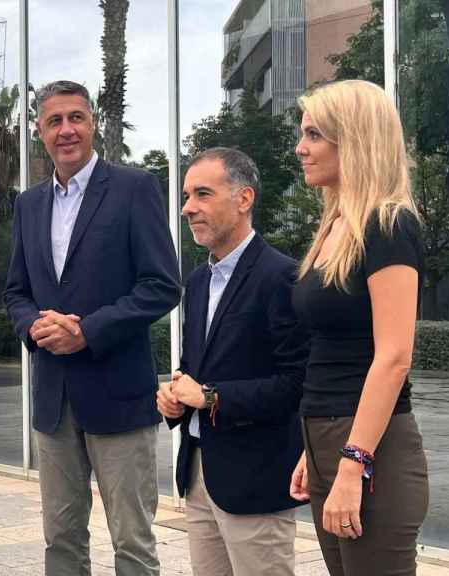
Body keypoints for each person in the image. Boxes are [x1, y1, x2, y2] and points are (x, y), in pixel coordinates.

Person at [4, 80, 180, 576]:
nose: (66, 130)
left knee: (132, 542)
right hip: (54, 400)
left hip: (119, 395)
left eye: (76, 118)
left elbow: (162, 285)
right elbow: (16, 291)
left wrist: (89, 330)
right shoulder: (29, 205)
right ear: (40, 131)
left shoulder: (134, 188)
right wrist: (35, 326)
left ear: (93, 123)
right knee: (60, 539)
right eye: (55, 121)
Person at [288, 79, 429, 575]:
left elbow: (394, 357)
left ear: (355, 138)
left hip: (371, 447)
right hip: (328, 438)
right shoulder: (333, 226)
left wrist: (354, 460)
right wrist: (316, 453)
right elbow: (330, 347)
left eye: (314, 135)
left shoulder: (388, 225)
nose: (301, 149)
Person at [157, 147, 309, 575]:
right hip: (199, 472)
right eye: (187, 196)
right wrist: (175, 397)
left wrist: (210, 396)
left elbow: (297, 384)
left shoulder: (282, 276)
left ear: (244, 199)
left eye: (203, 194)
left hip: (255, 479)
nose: (188, 208)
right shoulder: (199, 280)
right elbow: (196, 370)